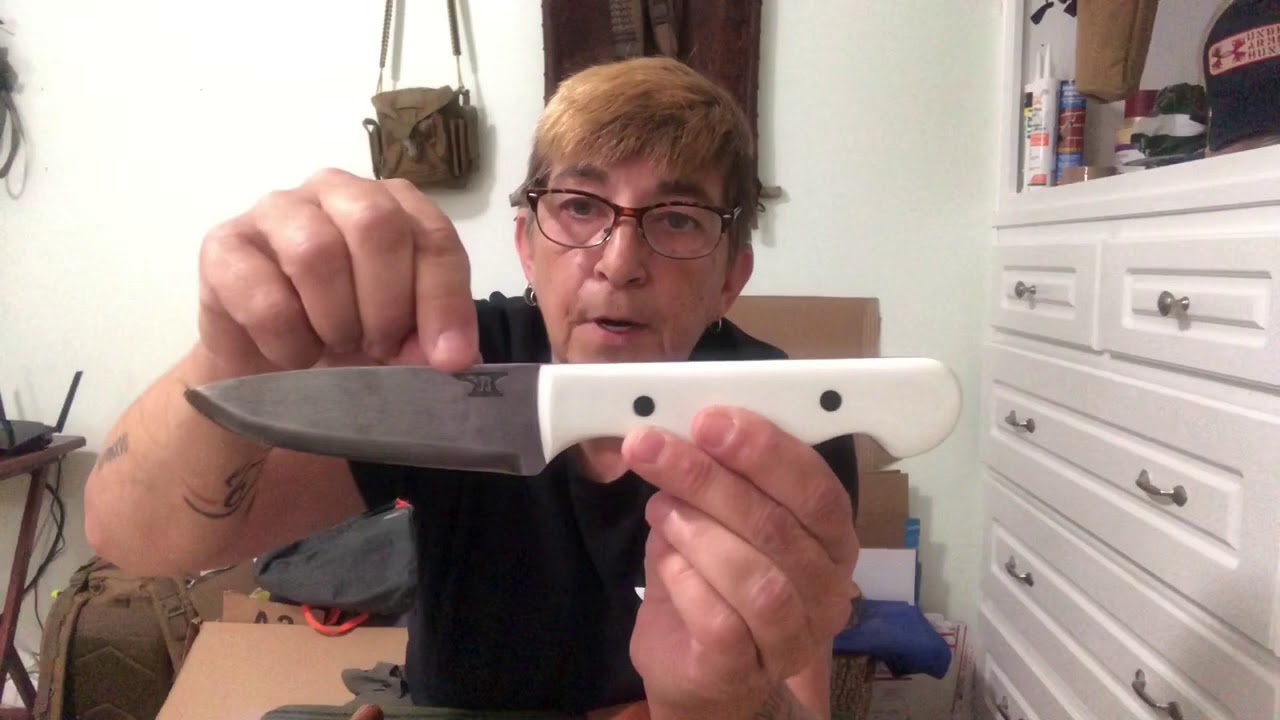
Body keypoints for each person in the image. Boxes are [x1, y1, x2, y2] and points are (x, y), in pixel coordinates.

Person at [84, 56, 861, 720]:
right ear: (526, 245)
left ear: (731, 276)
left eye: (679, 218)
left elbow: (800, 700)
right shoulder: (458, 370)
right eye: (579, 206)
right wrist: (232, 356)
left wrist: (718, 705)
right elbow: (138, 539)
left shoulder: (785, 420)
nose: (620, 260)